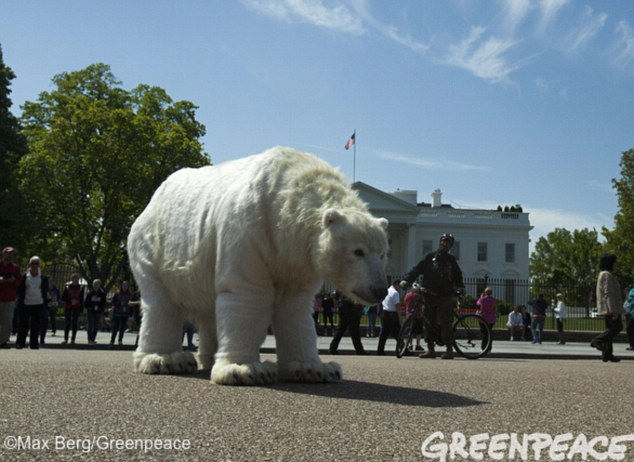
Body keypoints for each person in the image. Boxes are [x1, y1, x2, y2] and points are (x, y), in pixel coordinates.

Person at [400, 234, 464, 360]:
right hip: (428, 295)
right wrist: (406, 280)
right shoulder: (430, 257)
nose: (445, 244)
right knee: (428, 322)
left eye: (448, 242)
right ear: (440, 242)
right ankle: (431, 350)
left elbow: (458, 275)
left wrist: (460, 288)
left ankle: (449, 350)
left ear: (450, 246)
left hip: (445, 296)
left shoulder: (451, 260)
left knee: (446, 323)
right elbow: (417, 269)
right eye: (443, 241)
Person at [590, 254, 624, 362]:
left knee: (610, 330)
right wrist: (613, 310)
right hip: (610, 308)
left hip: (608, 308)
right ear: (610, 263)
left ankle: (607, 354)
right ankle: (596, 340)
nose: (616, 264)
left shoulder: (606, 274)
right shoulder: (606, 275)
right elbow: (608, 293)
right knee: (617, 327)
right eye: (615, 262)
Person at [15, 256, 49, 349]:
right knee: (22, 325)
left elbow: (44, 291)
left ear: (39, 265)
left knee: (36, 325)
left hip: (38, 304)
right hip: (25, 304)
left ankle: (34, 344)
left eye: (36, 263)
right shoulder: (24, 276)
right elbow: (20, 290)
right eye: (32, 263)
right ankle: (20, 343)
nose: (34, 265)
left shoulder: (43, 277)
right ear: (29, 264)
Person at [0, 247, 21, 348]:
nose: (10, 256)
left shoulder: (15, 268)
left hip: (9, 299)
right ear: (3, 254)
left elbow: (19, 283)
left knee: (7, 321)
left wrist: (13, 280)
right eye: (8, 254)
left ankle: (2, 341)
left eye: (12, 254)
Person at [377, 280, 402, 355]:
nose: (400, 288)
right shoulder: (395, 293)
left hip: (385, 313)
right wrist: (400, 317)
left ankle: (380, 350)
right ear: (396, 284)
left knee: (384, 333)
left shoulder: (387, 291)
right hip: (392, 314)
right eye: (400, 286)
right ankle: (403, 349)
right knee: (397, 332)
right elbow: (397, 306)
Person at [61, 274, 84, 345]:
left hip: (76, 307)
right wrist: (71, 300)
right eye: (74, 279)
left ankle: (73, 339)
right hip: (68, 306)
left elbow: (82, 298)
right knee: (67, 323)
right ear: (72, 279)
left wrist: (77, 301)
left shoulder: (81, 288)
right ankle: (65, 339)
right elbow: (63, 297)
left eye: (77, 279)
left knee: (75, 323)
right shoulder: (67, 287)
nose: (75, 280)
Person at [110, 281, 133, 347]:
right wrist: (118, 304)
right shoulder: (117, 293)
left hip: (125, 313)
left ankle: (120, 340)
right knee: (115, 327)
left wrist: (130, 313)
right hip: (117, 313)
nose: (124, 287)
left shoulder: (129, 294)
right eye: (123, 286)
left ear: (128, 287)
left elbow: (131, 304)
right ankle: (112, 340)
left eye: (126, 286)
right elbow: (113, 302)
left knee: (122, 328)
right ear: (121, 286)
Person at [403, 283, 425, 352]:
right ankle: (417, 345)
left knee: (410, 331)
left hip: (409, 315)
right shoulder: (419, 296)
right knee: (418, 332)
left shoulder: (408, 295)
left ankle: (410, 345)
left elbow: (405, 302)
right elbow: (423, 304)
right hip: (418, 315)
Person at [84, 279, 106, 344]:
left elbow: (104, 303)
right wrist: (90, 307)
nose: (96, 285)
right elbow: (86, 303)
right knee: (90, 325)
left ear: (99, 285)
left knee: (96, 326)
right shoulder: (90, 293)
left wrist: (100, 309)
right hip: (90, 311)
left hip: (98, 312)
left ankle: (93, 339)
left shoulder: (102, 294)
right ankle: (89, 339)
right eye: (94, 284)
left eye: (97, 284)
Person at [476, 287, 496, 352]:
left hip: (483, 318)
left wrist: (481, 297)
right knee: (489, 333)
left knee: (484, 333)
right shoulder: (493, 300)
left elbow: (478, 304)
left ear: (485, 292)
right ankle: (489, 348)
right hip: (491, 318)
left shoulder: (482, 299)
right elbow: (494, 308)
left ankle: (483, 347)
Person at [625, 287, 634, 351]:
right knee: (629, 329)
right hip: (631, 313)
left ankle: (632, 345)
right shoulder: (632, 290)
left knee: (629, 329)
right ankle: (632, 345)